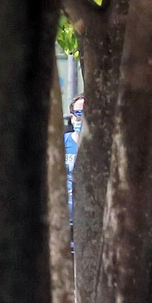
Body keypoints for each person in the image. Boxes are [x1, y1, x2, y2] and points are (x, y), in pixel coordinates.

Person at [63, 95, 84, 229]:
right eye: (78, 113)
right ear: (71, 116)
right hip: (64, 217)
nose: (82, 118)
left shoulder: (101, 147)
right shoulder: (63, 142)